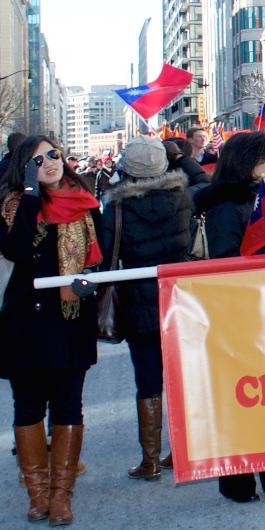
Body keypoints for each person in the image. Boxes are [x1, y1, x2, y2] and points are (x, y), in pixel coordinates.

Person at [0, 136, 101, 526]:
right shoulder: (12, 206)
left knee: (69, 404)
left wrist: (90, 281)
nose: (51, 162)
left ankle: (61, 495)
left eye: (54, 155)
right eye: (39, 159)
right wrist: (33, 196)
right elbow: (16, 250)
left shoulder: (84, 201)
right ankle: (37, 494)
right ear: (25, 168)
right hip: (24, 323)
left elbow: (102, 257)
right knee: (29, 406)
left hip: (71, 321)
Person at [194, 131, 265, 503]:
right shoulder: (226, 206)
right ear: (248, 164)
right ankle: (237, 481)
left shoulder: (264, 196)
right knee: (241, 398)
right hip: (237, 315)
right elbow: (227, 261)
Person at [99, 137, 195, 483]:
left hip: (138, 301)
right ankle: (182, 451)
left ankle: (150, 459)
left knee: (148, 379)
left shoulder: (118, 207)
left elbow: (107, 253)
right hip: (178, 297)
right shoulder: (181, 198)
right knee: (180, 376)